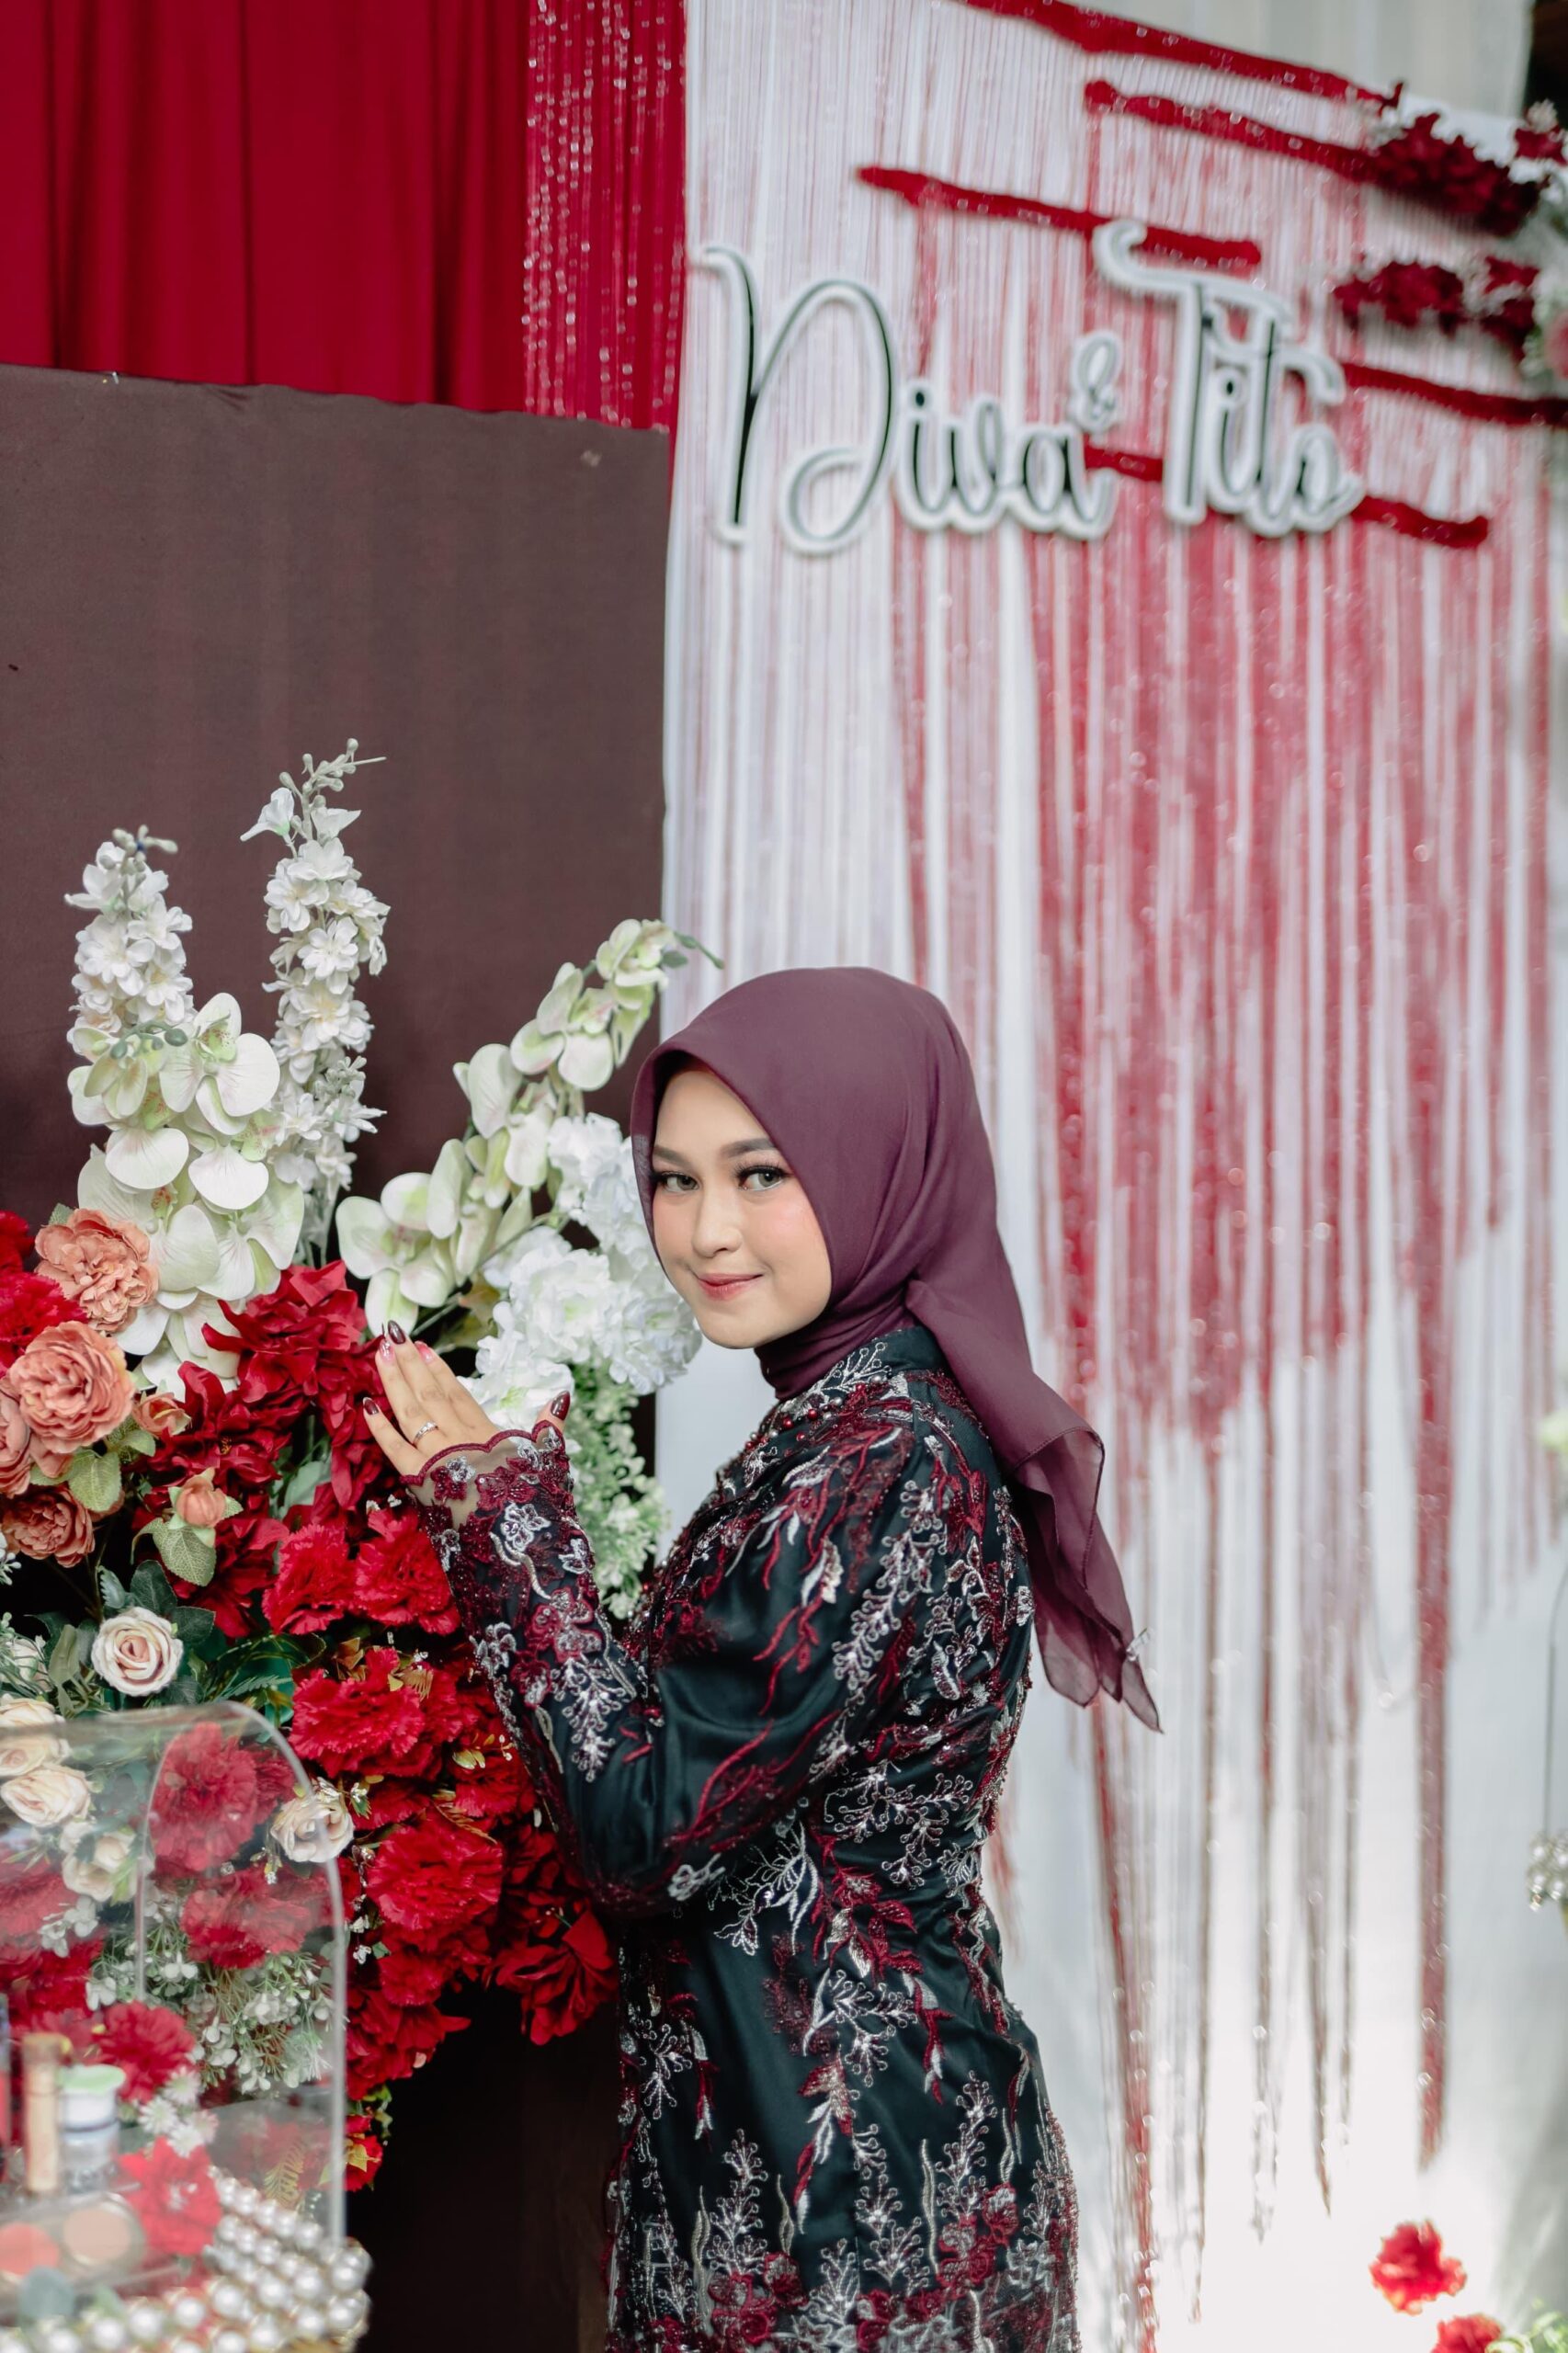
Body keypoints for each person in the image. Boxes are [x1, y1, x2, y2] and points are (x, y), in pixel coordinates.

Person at [362, 965, 1157, 2353]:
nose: (705, 1231)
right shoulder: (855, 1422)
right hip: (812, 2146)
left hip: (842, 2192)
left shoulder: (876, 1463)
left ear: (878, 1165)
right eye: (674, 1180)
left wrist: (504, 1526)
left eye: (761, 1175)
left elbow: (641, 1831)